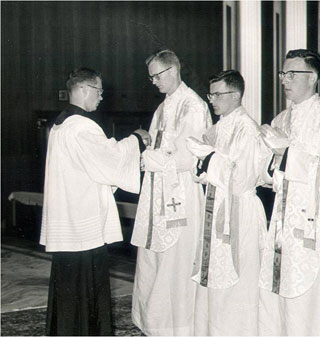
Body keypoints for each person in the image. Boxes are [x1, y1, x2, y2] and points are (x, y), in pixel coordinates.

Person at [40, 67, 150, 336]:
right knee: (85, 286)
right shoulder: (82, 126)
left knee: (69, 288)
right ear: (85, 89)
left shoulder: (61, 124)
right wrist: (136, 139)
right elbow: (108, 161)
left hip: (70, 218)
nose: (101, 97)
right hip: (82, 223)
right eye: (99, 91)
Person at [258, 49, 320, 335]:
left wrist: (286, 155)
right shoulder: (282, 118)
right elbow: (270, 173)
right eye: (284, 73)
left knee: (315, 291)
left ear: (314, 78)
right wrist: (269, 161)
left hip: (317, 212)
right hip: (285, 210)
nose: (285, 80)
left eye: (292, 74)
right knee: (281, 284)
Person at [130, 49, 212, 335]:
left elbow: (189, 157)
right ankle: (153, 323)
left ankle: (178, 327)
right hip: (157, 192)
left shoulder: (193, 105)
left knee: (176, 261)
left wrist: (149, 159)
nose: (153, 81)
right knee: (154, 258)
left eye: (157, 75)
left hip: (181, 194)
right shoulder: (163, 107)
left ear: (173, 69)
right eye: (151, 76)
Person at [186, 70, 270, 335]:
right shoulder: (220, 125)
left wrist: (209, 159)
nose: (212, 100)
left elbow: (242, 178)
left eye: (217, 94)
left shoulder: (246, 128)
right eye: (210, 94)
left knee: (238, 281)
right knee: (215, 281)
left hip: (239, 211)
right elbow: (204, 169)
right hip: (217, 206)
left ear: (235, 95)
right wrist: (202, 162)